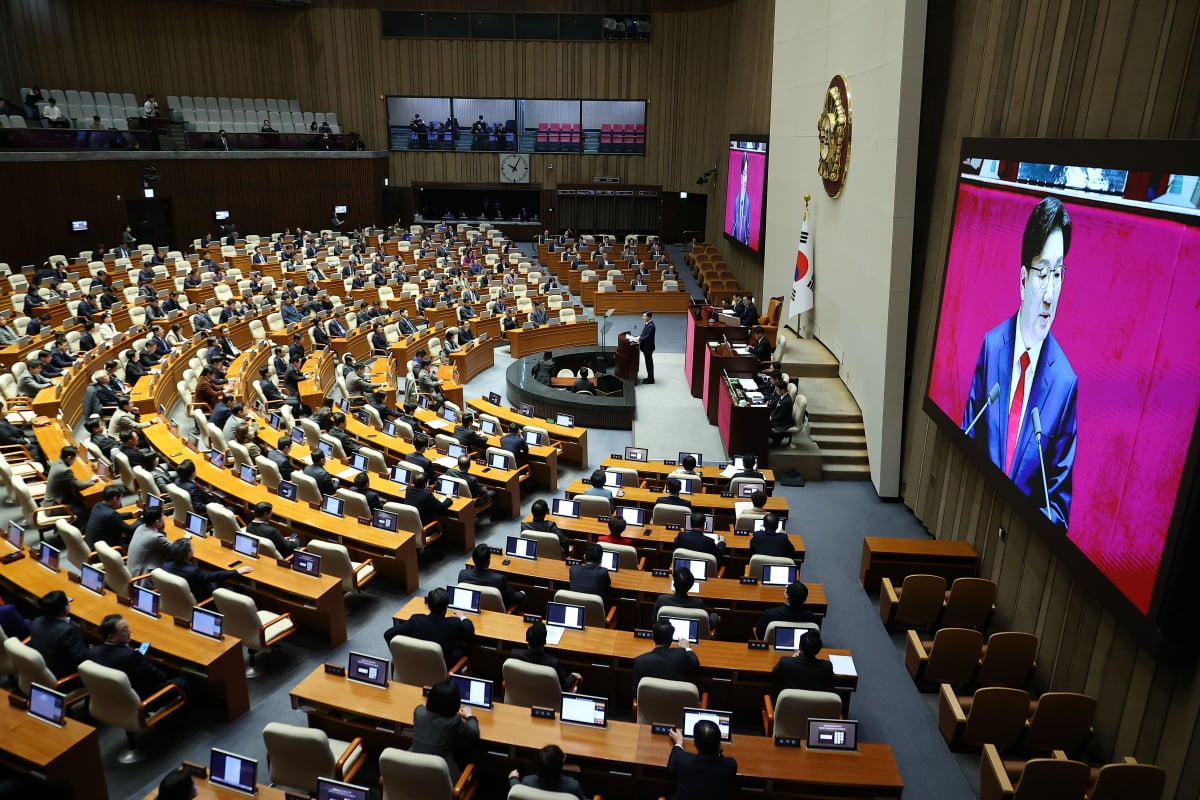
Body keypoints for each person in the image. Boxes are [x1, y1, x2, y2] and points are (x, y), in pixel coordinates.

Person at [961, 196, 1077, 529]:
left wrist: (1022, 521)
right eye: (1043, 273)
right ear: (1024, 280)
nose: (1050, 293)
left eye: (1058, 274)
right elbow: (968, 439)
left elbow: (1058, 505)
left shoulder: (1065, 384)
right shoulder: (992, 346)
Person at [86, 614, 189, 700]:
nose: (129, 632)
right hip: (141, 696)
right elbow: (159, 677)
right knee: (186, 679)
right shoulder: (131, 656)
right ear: (111, 637)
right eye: (124, 630)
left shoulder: (94, 651)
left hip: (116, 696)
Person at [383, 587, 474, 665]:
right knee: (464, 650)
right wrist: (462, 616)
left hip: (417, 662)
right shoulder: (453, 623)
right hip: (443, 665)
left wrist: (398, 658)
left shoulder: (416, 620)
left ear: (429, 605)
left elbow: (388, 634)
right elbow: (469, 630)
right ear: (446, 607)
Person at [410, 679, 478, 781]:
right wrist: (470, 716)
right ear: (455, 703)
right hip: (443, 781)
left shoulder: (419, 711)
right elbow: (473, 734)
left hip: (412, 772)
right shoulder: (453, 722)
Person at [666, 719, 738, 800]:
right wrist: (718, 750)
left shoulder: (682, 761)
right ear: (719, 743)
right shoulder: (730, 765)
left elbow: (672, 765)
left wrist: (678, 742)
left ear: (695, 743)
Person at [162, 538, 252, 601]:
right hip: (204, 599)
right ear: (189, 553)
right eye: (192, 547)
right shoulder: (194, 572)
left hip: (182, 596)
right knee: (236, 588)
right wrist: (237, 571)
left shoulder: (166, 566)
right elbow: (214, 576)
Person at [29, 591, 89, 678]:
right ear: (65, 609)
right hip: (64, 678)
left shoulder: (36, 621)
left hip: (43, 669)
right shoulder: (68, 632)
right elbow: (84, 660)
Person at [510, 621, 581, 691]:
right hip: (547, 700)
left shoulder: (514, 655)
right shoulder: (554, 664)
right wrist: (573, 676)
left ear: (526, 639)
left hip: (521, 696)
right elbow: (564, 687)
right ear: (545, 642)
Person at [633, 620, 699, 689]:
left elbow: (636, 692)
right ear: (671, 638)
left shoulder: (640, 661)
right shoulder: (682, 655)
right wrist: (687, 648)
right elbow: (695, 664)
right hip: (676, 699)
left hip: (651, 699)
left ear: (653, 637)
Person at [508, 744, 587, 800]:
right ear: (561, 766)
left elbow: (518, 791)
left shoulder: (528, 781)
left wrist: (513, 778)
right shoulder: (572, 786)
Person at [458, 543, 526, 608]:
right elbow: (512, 598)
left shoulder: (462, 575)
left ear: (473, 560)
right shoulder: (499, 579)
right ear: (488, 561)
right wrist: (522, 593)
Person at [654, 566, 719, 631]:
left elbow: (654, 619)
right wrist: (715, 616)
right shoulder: (698, 604)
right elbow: (708, 625)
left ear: (674, 584)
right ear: (690, 586)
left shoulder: (662, 600)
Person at [46, 446, 98, 525]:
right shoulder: (65, 470)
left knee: (81, 501)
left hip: (51, 501)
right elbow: (79, 485)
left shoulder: (57, 462)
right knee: (86, 513)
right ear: (69, 457)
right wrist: (91, 480)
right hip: (55, 507)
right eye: (75, 458)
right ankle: (76, 531)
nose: (75, 460)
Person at [754, 580, 820, 640]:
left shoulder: (769, 614)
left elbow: (758, 634)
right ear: (805, 599)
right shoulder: (810, 617)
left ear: (786, 595)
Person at [127, 506, 172, 577]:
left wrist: (161, 530)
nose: (164, 518)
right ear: (157, 521)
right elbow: (176, 548)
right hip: (143, 578)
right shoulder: (155, 537)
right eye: (162, 516)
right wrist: (186, 539)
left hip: (131, 572)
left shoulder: (140, 528)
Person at [732, 150, 753, 246]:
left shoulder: (748, 203)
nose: (745, 179)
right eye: (744, 174)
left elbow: (747, 232)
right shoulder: (736, 201)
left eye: (747, 175)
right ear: (741, 176)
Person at [767, 382, 794, 446]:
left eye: (777, 389)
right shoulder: (782, 396)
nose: (776, 391)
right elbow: (777, 409)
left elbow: (781, 415)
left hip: (783, 422)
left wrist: (771, 418)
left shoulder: (786, 401)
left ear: (782, 390)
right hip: (779, 417)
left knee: (765, 424)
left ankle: (776, 439)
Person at [633, 311, 657, 383]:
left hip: (648, 348)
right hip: (647, 347)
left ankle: (651, 379)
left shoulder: (651, 326)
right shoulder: (648, 324)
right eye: (643, 316)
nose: (643, 318)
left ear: (649, 317)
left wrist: (639, 339)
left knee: (649, 364)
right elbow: (644, 334)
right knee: (648, 363)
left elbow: (647, 337)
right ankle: (649, 378)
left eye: (644, 316)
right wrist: (639, 336)